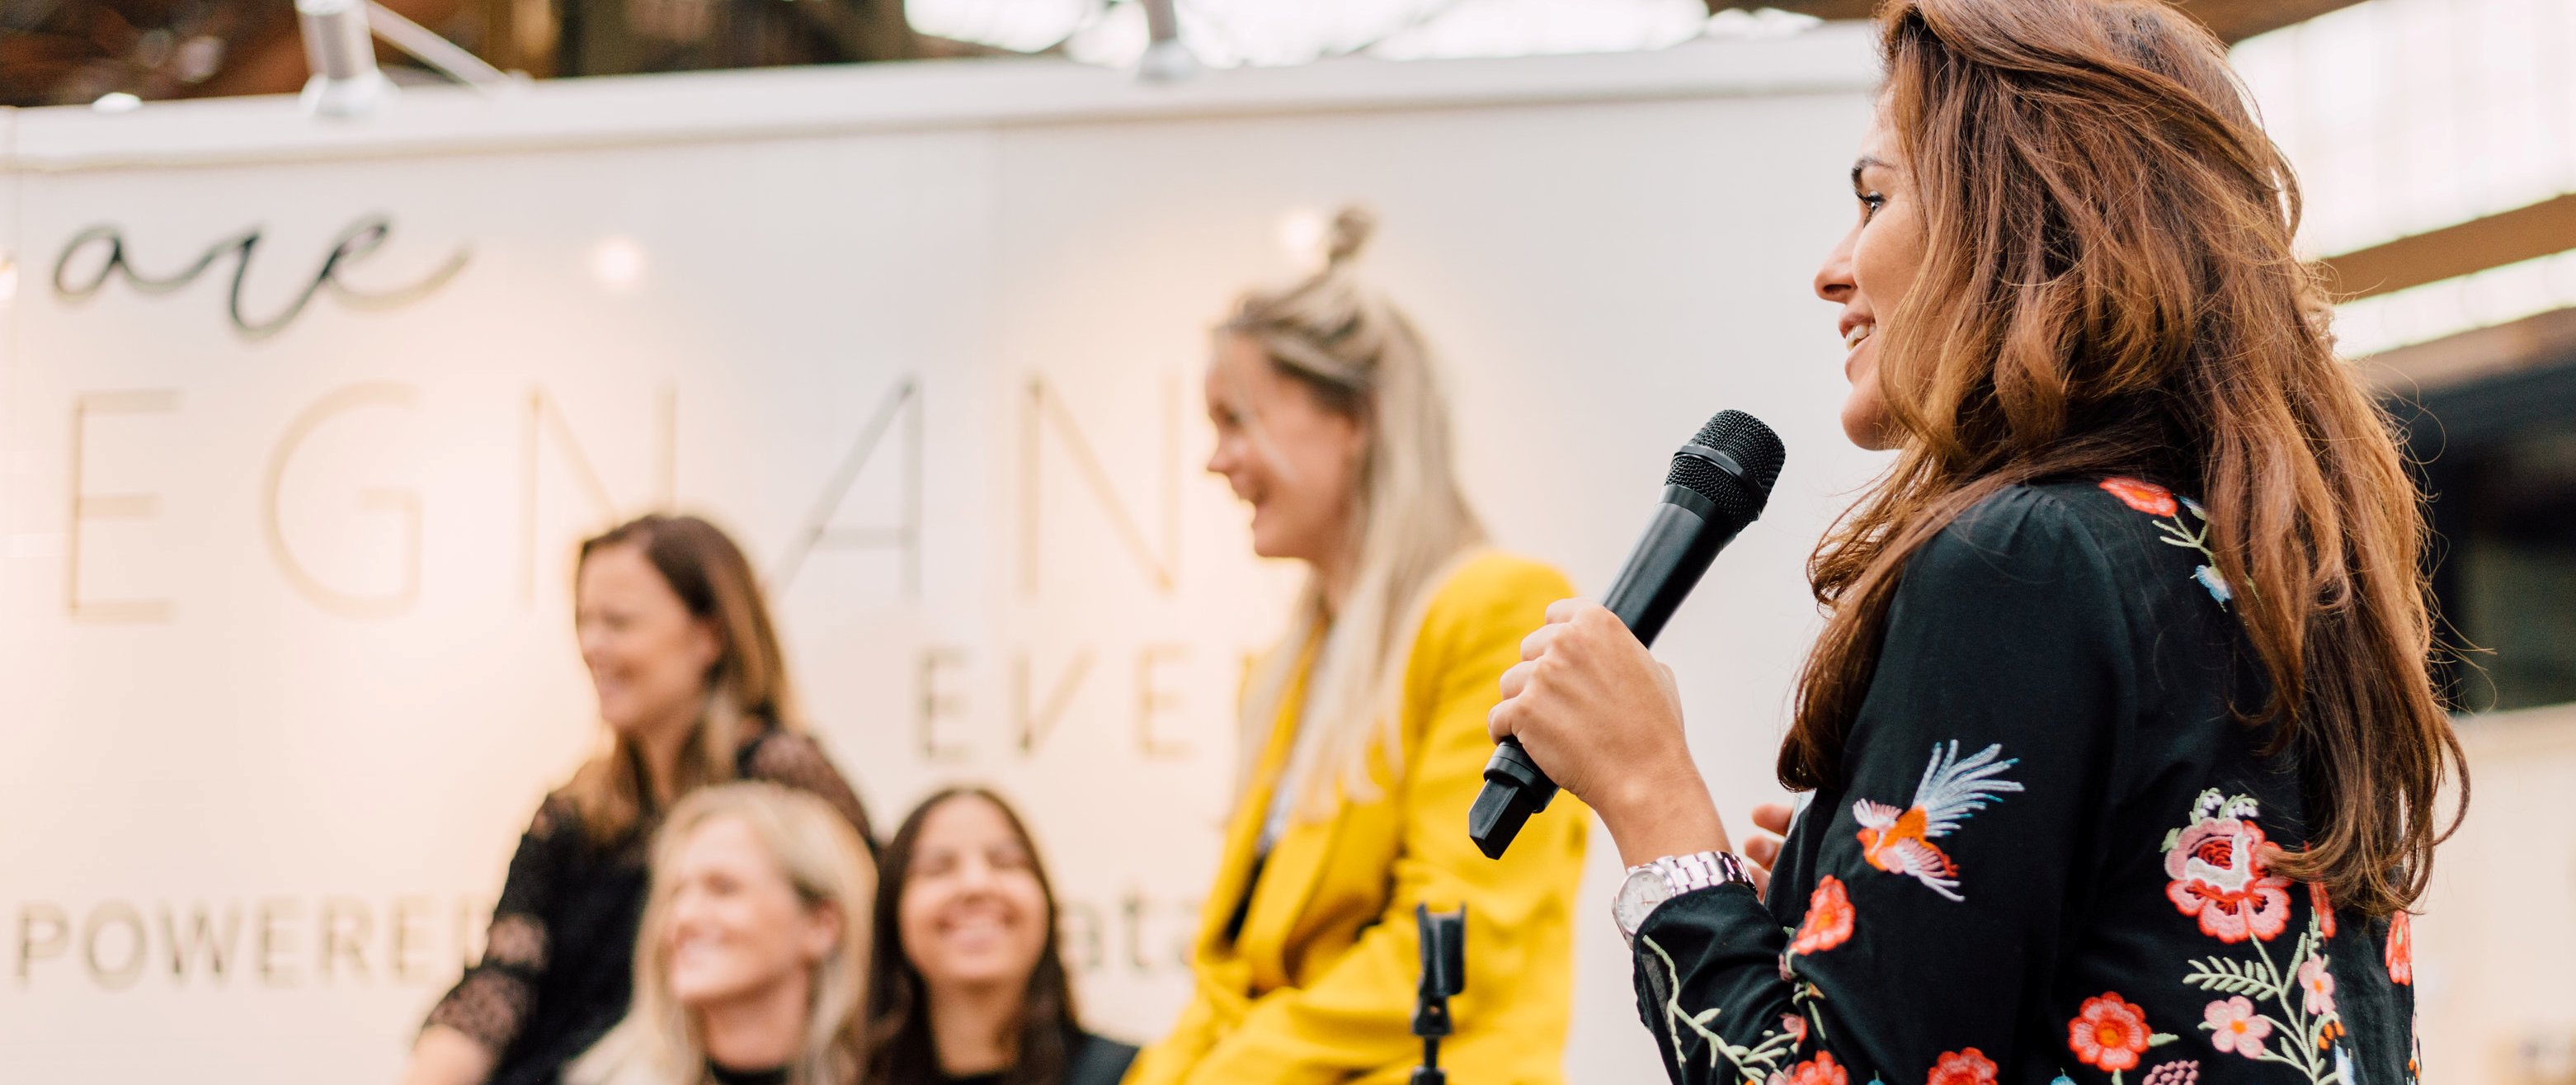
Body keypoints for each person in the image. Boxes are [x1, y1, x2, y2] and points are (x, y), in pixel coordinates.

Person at [1485, 3, 2468, 1085]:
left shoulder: (2024, 560)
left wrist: (1651, 794)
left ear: (2018, 215)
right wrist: (1846, 937)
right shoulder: (2267, 567)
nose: (1832, 269)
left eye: (1874, 198)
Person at [1128, 206, 1589, 1085]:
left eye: (1236, 419)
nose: (1216, 460)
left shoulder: (1499, 610)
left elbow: (1455, 943)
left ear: (1356, 420)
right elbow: (1233, 976)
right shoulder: (1284, 671)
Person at [407, 515, 877, 1085]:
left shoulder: (783, 782)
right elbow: (504, 976)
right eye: (583, 621)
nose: (592, 645)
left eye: (619, 622)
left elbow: (864, 960)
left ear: (710, 636)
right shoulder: (574, 811)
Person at [568, 782, 881, 1085]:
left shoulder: (887, 1072)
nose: (682, 917)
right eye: (675, 893)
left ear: (821, 925)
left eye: (723, 888)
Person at [864, 787, 1137, 1085]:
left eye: (1006, 862)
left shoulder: (1135, 1075)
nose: (976, 884)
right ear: (893, 909)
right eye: (937, 868)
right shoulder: (847, 1076)